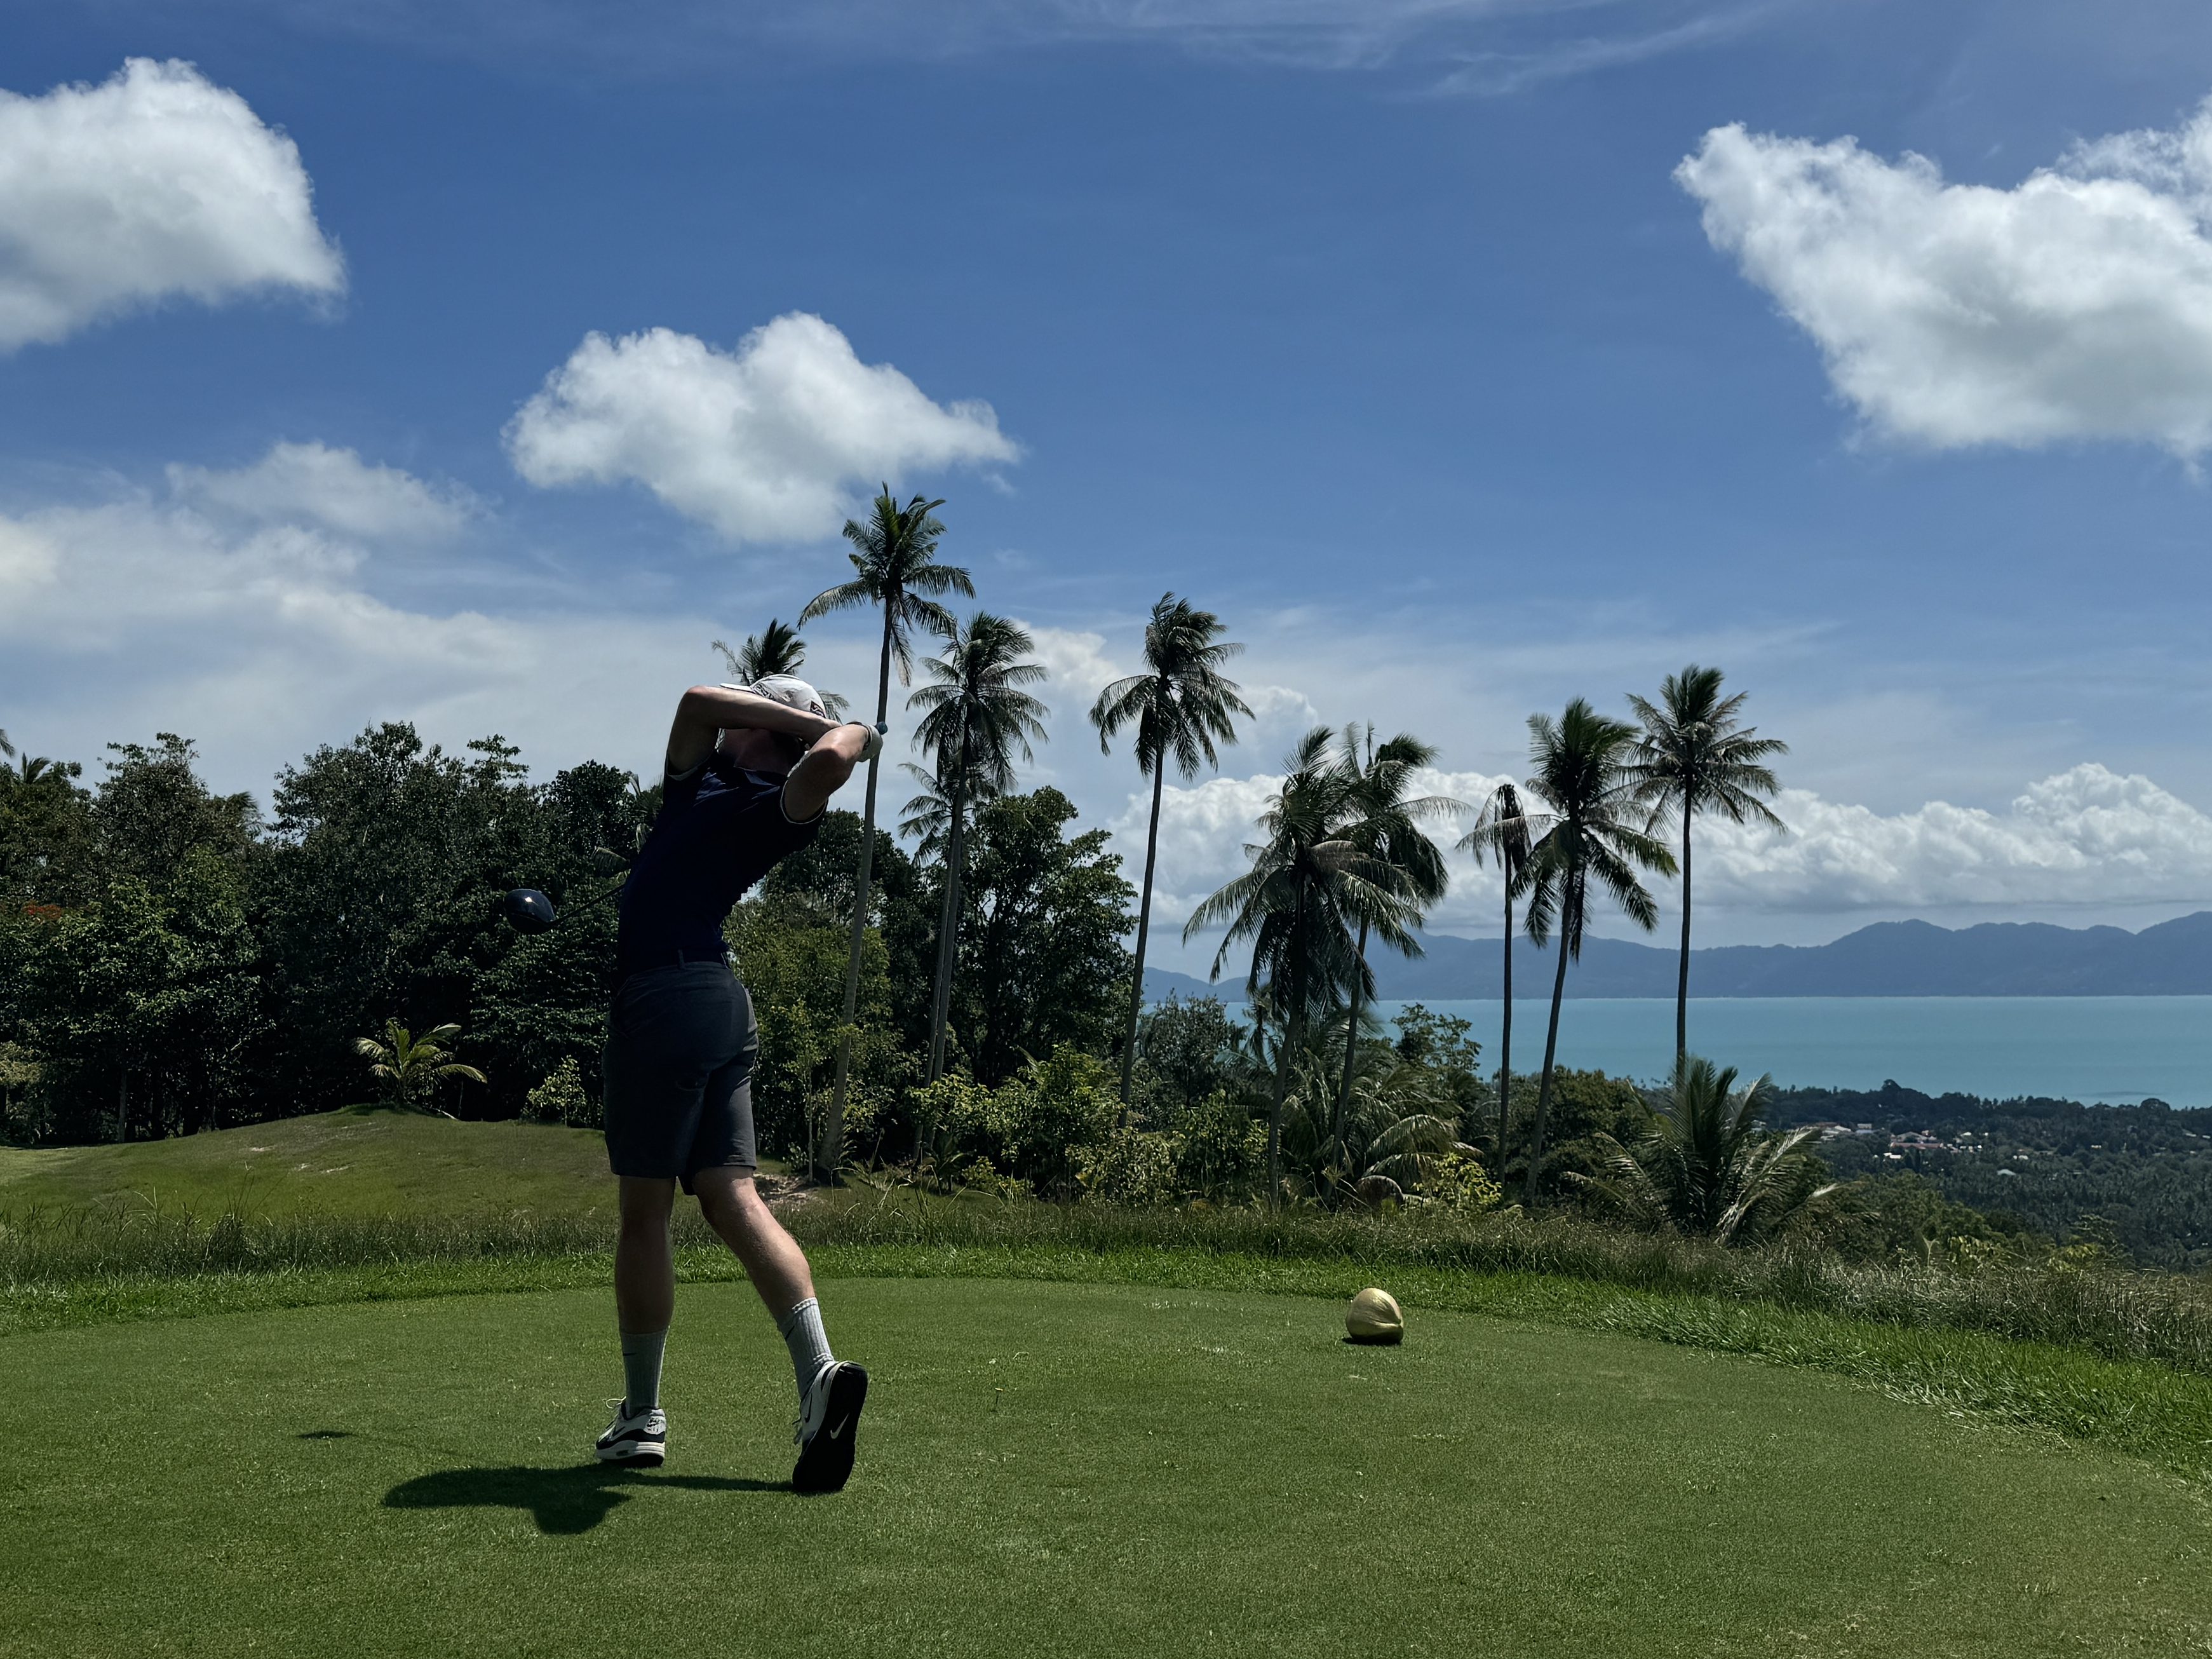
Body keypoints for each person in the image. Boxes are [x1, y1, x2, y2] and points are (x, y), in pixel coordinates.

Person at [595, 673, 882, 1494]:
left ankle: (641, 1418)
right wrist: (819, 725)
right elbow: (697, 703)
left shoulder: (770, 801)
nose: (731, 718)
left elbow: (832, 757)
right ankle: (819, 1375)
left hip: (666, 997)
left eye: (751, 708)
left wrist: (839, 731)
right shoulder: (705, 777)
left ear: (769, 728)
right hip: (719, 1003)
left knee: (645, 1213)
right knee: (733, 1198)